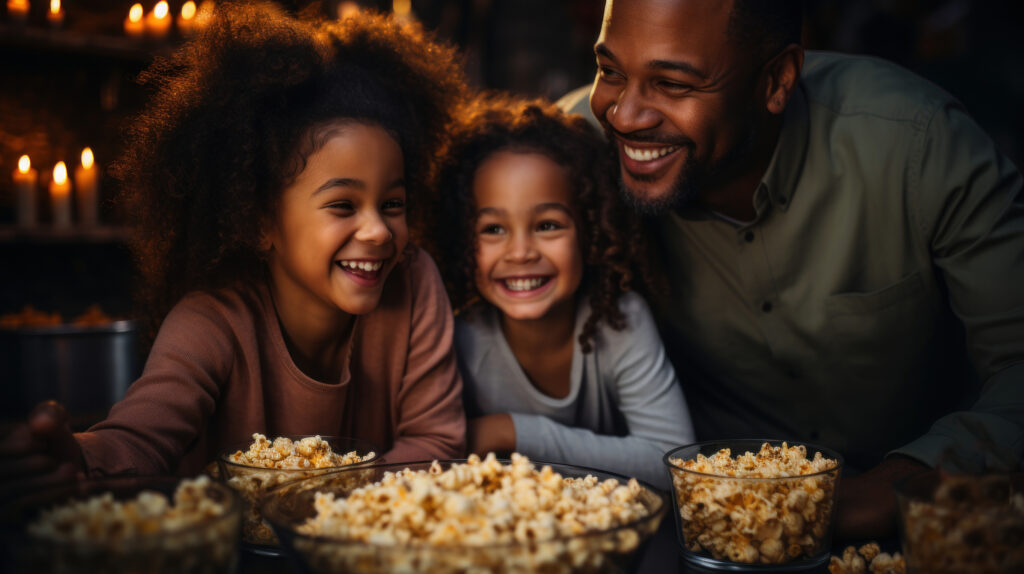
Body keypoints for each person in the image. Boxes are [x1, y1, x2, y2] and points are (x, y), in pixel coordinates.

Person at [558, 0, 1024, 538]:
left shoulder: (916, 144)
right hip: (710, 540)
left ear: (777, 80)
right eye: (610, 72)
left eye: (673, 84)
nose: (624, 115)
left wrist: (904, 480)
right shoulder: (569, 158)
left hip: (936, 533)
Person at [0, 3, 468, 493]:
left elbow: (437, 440)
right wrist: (78, 457)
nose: (378, 231)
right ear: (259, 219)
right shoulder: (214, 318)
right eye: (343, 205)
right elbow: (140, 434)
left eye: (392, 204)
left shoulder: (414, 281)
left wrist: (329, 501)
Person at [427, 95, 695, 489]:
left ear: (591, 233)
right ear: (462, 243)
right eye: (493, 229)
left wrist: (512, 432)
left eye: (548, 225)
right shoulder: (461, 337)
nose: (520, 253)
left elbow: (675, 463)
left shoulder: (620, 320)